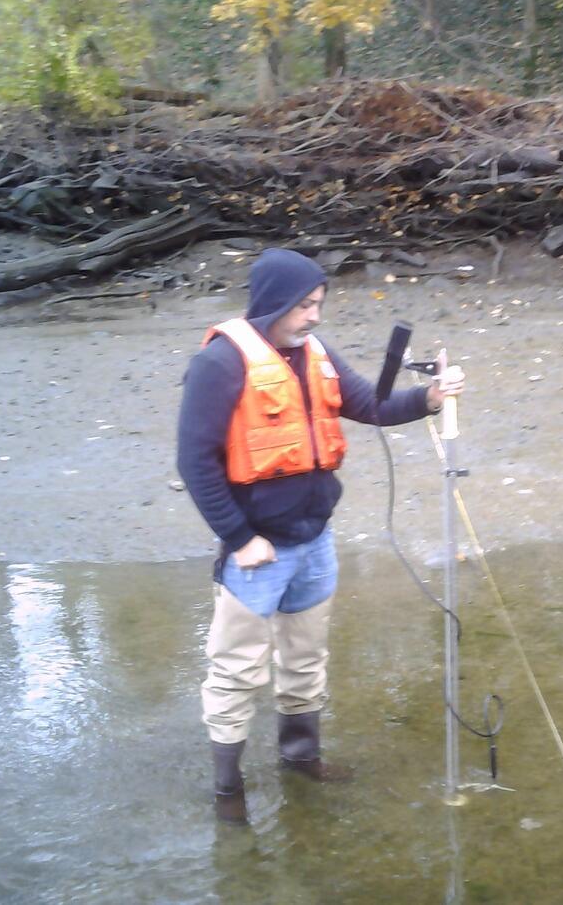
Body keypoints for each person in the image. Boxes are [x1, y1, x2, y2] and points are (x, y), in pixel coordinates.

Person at [176, 247, 462, 824]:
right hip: (256, 551)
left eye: (318, 304)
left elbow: (367, 403)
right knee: (236, 670)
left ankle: (300, 758)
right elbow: (195, 462)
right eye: (305, 305)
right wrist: (238, 538)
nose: (314, 317)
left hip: (314, 540)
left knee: (305, 659)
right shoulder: (221, 364)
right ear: (274, 303)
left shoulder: (316, 352)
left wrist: (429, 401)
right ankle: (228, 791)